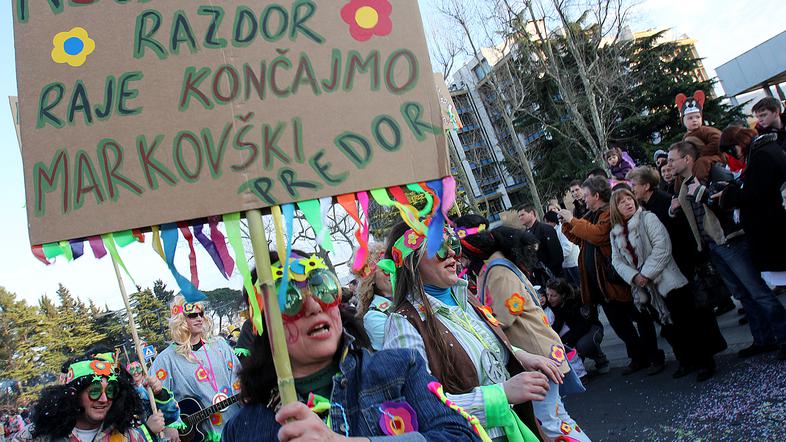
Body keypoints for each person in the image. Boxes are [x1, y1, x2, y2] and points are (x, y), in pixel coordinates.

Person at [221, 252, 484, 441]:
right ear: (263, 326)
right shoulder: (241, 430)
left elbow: (461, 435)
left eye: (321, 287)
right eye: (288, 299)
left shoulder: (401, 370)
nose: (313, 306)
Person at [382, 220, 555, 442]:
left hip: (514, 427)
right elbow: (420, 406)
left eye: (453, 243)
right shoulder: (403, 323)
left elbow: (476, 343)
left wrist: (520, 354)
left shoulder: (464, 297)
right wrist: (501, 395)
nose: (453, 253)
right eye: (440, 247)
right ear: (410, 260)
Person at [459, 225, 591, 441]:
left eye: (463, 256)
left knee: (549, 421)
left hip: (536, 352)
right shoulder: (501, 265)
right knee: (555, 417)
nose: (461, 262)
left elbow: (506, 316)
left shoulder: (498, 270)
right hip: (540, 350)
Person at [668, 140, 786, 359]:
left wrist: (703, 192)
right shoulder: (683, 184)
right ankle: (763, 339)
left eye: (672, 160)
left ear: (687, 159)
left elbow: (730, 201)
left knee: (758, 292)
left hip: (731, 241)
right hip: (713, 245)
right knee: (743, 295)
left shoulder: (713, 172)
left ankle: (784, 337)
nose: (669, 165)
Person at [609, 187, 721, 381]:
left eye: (629, 198)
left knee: (687, 322)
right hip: (646, 289)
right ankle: (685, 360)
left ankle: (704, 361)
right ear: (615, 208)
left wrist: (646, 273)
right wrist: (634, 277)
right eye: (621, 201)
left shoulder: (648, 218)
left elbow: (662, 246)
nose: (627, 203)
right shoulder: (616, 233)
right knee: (669, 327)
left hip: (667, 280)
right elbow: (616, 260)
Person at [557, 177, 664, 375]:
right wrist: (566, 223)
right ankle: (637, 357)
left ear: (597, 196)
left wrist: (573, 220)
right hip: (601, 285)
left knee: (640, 318)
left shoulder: (608, 213)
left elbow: (597, 235)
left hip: (616, 281)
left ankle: (653, 355)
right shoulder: (591, 214)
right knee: (621, 326)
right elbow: (578, 237)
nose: (583, 199)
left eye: (587, 195)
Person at [718, 127, 786, 360]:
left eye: (732, 150)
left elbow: (757, 194)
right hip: (771, 229)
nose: (733, 156)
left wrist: (729, 196)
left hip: (774, 230)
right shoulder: (763, 153)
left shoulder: (762, 155)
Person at [14, 352, 162, 442]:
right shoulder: (37, 435)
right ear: (75, 394)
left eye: (110, 391)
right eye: (95, 391)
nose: (104, 399)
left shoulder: (128, 437)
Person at [151, 296, 241, 441]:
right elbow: (154, 400)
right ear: (180, 319)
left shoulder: (221, 346)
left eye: (201, 314)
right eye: (193, 315)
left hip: (237, 426)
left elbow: (240, 378)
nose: (199, 318)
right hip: (201, 436)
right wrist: (169, 424)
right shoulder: (165, 360)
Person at [545, 279, 608, 374]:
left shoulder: (577, 300)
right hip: (575, 331)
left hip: (592, 328)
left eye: (553, 295)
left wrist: (568, 342)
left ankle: (600, 359)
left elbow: (583, 326)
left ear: (563, 295)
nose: (549, 299)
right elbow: (558, 324)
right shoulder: (556, 304)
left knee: (582, 346)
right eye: (548, 295)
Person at [675, 91, 724, 184]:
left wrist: (703, 152)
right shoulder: (685, 136)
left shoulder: (705, 130)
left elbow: (718, 140)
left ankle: (701, 185)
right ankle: (679, 192)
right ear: (683, 121)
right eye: (690, 118)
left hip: (714, 157)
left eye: (697, 117)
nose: (695, 120)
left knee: (702, 162)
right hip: (695, 160)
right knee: (682, 169)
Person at [353, 243, 394, 351]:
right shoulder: (374, 317)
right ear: (372, 279)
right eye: (385, 270)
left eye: (393, 265)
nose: (392, 272)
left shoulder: (410, 296)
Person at [125, 361, 182, 438]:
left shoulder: (151, 385)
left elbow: (171, 413)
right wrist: (147, 430)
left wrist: (160, 394)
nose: (135, 373)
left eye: (138, 368)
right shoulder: (126, 395)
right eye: (131, 370)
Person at [518, 205, 564, 278]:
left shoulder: (546, 229)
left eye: (522, 215)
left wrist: (550, 272)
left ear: (532, 213)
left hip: (553, 275)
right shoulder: (524, 234)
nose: (520, 218)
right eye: (519, 216)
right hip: (538, 276)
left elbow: (557, 255)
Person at [543, 212, 580, 287]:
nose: (546, 225)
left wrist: (557, 257)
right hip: (566, 264)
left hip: (573, 264)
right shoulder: (555, 231)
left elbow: (567, 247)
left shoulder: (561, 229)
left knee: (579, 286)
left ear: (551, 221)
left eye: (546, 222)